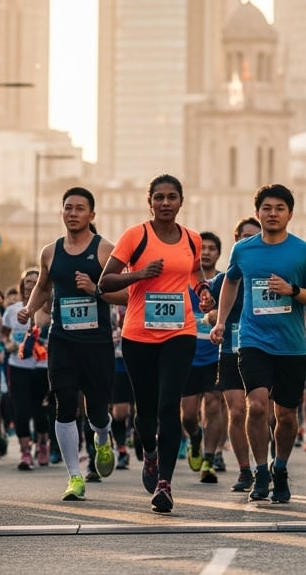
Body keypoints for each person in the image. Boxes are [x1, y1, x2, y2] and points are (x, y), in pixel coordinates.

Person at [98, 174, 212, 514]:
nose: (165, 203)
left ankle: (165, 484)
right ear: (150, 202)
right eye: (159, 197)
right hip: (139, 335)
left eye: (171, 197)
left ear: (181, 201)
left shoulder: (191, 238)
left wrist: (203, 290)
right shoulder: (135, 236)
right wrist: (140, 274)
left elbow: (194, 273)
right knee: (145, 410)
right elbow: (105, 281)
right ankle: (149, 452)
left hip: (180, 332)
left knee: (168, 406)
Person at [212, 184, 306, 504]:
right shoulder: (244, 250)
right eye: (266, 208)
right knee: (258, 406)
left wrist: (292, 290)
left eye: (279, 208)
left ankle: (282, 468)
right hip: (253, 340)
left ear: (290, 213)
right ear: (258, 212)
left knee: (287, 416)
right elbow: (231, 281)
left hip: (291, 345)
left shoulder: (302, 251)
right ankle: (260, 471)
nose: (272, 214)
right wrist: (221, 321)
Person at [19, 187, 127, 501]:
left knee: (97, 412)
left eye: (80, 208)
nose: (73, 213)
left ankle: (102, 439)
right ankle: (74, 477)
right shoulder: (50, 252)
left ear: (92, 215)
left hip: (97, 342)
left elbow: (127, 294)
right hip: (62, 339)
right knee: (64, 406)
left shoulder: (107, 251)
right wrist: (30, 307)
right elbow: (42, 287)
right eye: (68, 208)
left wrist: (95, 289)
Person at [208, 217, 263, 491]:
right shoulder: (222, 280)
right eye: (244, 237)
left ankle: (266, 465)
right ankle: (244, 471)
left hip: (263, 351)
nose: (248, 241)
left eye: (255, 236)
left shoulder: (266, 274)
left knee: (262, 412)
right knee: (238, 411)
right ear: (236, 240)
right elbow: (209, 312)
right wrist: (214, 318)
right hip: (230, 350)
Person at [182, 231, 225, 481]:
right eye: (203, 248)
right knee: (188, 415)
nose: (207, 252)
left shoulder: (223, 281)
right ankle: (195, 438)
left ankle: (209, 460)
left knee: (213, 404)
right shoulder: (185, 282)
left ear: (218, 253)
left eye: (212, 248)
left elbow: (231, 307)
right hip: (188, 353)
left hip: (215, 354)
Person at [3, 268, 50, 470]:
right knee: (21, 410)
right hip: (18, 365)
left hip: (42, 367)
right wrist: (8, 344)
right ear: (22, 286)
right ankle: (24, 452)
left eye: (36, 281)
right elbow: (4, 333)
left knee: (40, 410)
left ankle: (42, 444)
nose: (31, 285)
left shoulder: (48, 310)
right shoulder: (13, 310)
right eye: (28, 282)